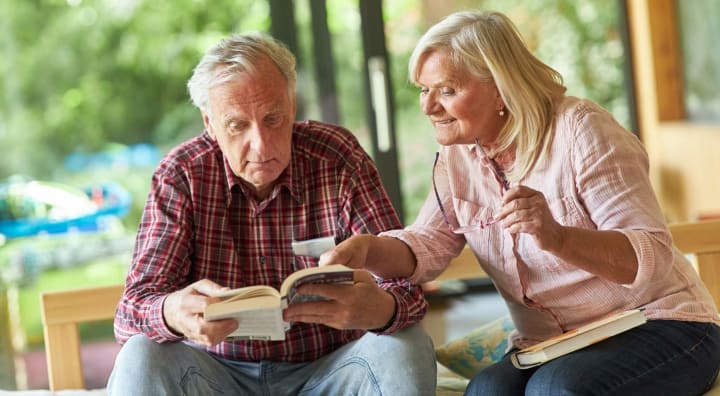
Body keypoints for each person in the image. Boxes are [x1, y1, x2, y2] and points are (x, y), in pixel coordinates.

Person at [319, 10, 720, 396]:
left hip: (661, 325)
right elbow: (428, 246)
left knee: (556, 389)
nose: (428, 106)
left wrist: (557, 237)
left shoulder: (581, 131)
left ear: (499, 87)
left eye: (447, 90)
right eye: (424, 90)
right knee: (485, 390)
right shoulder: (458, 160)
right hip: (554, 343)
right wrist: (367, 249)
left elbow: (649, 258)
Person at [107, 33, 436, 395]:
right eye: (237, 125)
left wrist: (381, 309)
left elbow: (407, 290)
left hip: (330, 371)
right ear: (209, 124)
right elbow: (131, 312)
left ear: (292, 105)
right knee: (140, 353)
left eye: (273, 118)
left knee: (408, 344)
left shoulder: (337, 158)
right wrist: (172, 311)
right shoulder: (182, 174)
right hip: (214, 376)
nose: (261, 145)